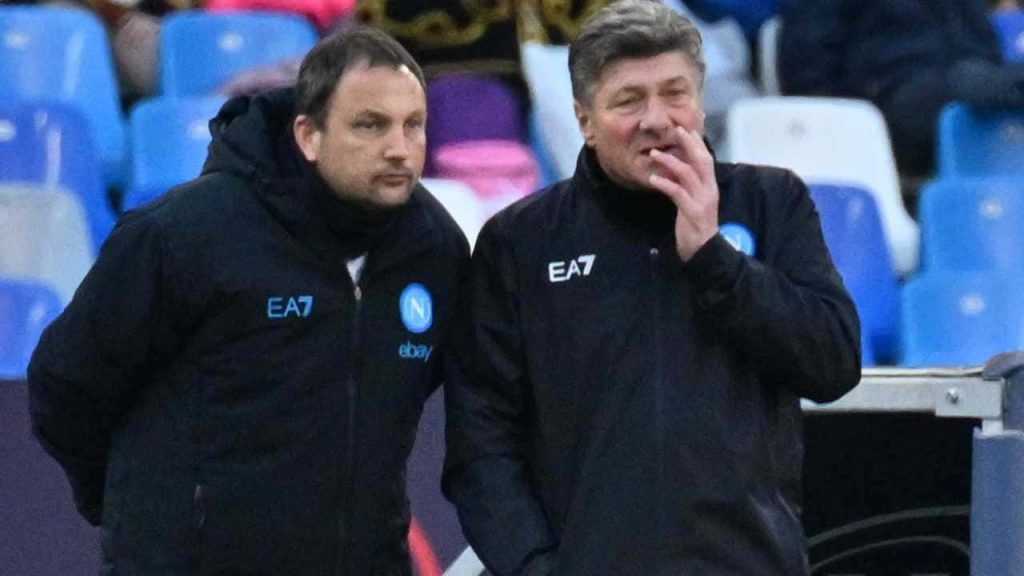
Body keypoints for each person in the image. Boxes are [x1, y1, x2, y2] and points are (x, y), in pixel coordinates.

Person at [28, 27, 469, 574]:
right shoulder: (185, 234)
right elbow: (66, 382)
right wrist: (138, 510)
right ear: (308, 135)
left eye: (414, 125)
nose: (399, 149)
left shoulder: (436, 250)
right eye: (370, 125)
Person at [442, 1, 861, 574]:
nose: (657, 119)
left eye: (675, 93)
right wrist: (537, 567)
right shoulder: (521, 242)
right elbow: (481, 443)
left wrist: (715, 260)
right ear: (584, 121)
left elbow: (834, 364)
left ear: (700, 101)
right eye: (629, 100)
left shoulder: (771, 203)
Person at [779, 0, 1024, 177]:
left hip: (964, 89)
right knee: (971, 83)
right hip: (883, 102)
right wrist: (846, 121)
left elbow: (984, 44)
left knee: (980, 85)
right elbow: (804, 64)